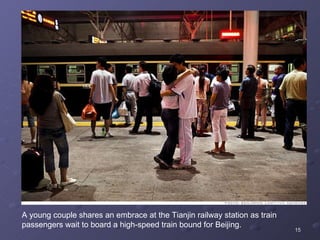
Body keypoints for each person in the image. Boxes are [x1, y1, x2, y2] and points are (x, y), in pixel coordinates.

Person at [29, 74, 76, 190]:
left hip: (43, 130)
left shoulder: (34, 97)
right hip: (57, 129)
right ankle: (64, 179)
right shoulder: (55, 95)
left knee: (48, 155)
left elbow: (33, 114)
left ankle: (53, 182)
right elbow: (65, 110)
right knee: (63, 152)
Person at [167, 54, 197, 168]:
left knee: (185, 137)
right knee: (185, 137)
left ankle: (185, 161)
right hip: (187, 110)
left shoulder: (187, 78)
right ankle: (185, 158)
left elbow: (172, 89)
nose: (174, 68)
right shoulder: (187, 75)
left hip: (185, 111)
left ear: (180, 64)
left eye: (174, 65)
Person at [279, 57, 307, 150]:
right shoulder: (305, 76)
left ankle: (287, 144)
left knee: (289, 123)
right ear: (302, 64)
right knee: (304, 123)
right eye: (305, 63)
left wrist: (284, 100)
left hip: (290, 102)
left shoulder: (288, 76)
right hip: (303, 103)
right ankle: (307, 144)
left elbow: (281, 90)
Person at [89, 57, 118, 138]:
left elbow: (93, 86)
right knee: (106, 117)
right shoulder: (108, 74)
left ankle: (93, 133)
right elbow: (110, 86)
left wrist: (90, 97)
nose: (96, 64)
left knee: (94, 117)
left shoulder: (94, 73)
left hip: (96, 100)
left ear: (99, 64)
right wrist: (114, 97)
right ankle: (107, 132)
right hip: (107, 100)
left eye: (96, 63)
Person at [209, 65, 230, 153]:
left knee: (216, 128)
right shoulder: (227, 85)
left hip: (216, 109)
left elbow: (213, 96)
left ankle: (216, 148)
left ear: (220, 76)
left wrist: (210, 105)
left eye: (217, 75)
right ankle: (223, 146)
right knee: (223, 128)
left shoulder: (216, 85)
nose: (216, 77)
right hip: (224, 109)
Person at [129, 61, 154, 134]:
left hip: (141, 97)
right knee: (149, 114)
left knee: (139, 114)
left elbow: (135, 89)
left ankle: (135, 129)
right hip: (149, 97)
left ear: (141, 68)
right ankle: (149, 129)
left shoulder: (138, 77)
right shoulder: (151, 75)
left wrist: (137, 97)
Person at [238, 65, 258, 139]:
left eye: (246, 70)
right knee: (251, 118)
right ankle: (251, 133)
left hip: (245, 100)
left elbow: (241, 91)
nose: (245, 71)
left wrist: (239, 100)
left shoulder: (245, 80)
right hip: (252, 100)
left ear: (248, 71)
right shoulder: (255, 80)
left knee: (244, 117)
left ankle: (243, 134)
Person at [194, 65, 210, 136]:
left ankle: (195, 129)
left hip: (195, 99)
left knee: (196, 115)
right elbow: (207, 90)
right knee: (203, 116)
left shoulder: (194, 79)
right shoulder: (207, 80)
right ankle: (201, 130)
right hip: (203, 99)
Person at [21, 69, 36, 144]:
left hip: (20, 105)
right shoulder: (30, 84)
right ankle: (33, 139)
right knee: (32, 123)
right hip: (29, 105)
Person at [272, 65, 286, 134]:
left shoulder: (280, 78)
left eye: (276, 69)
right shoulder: (285, 76)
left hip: (278, 98)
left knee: (278, 114)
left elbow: (277, 89)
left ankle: (279, 129)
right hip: (284, 97)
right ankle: (283, 128)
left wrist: (272, 95)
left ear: (280, 70)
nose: (275, 71)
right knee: (283, 114)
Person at [106, 63, 118, 128]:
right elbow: (115, 86)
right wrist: (115, 96)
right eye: (111, 67)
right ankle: (110, 123)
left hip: (105, 95)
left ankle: (107, 122)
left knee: (106, 110)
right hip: (111, 95)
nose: (112, 69)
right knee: (110, 109)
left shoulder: (103, 75)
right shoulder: (112, 76)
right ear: (108, 68)